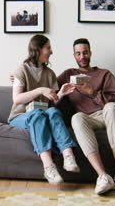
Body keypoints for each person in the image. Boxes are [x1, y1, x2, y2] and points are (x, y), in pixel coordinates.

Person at [57, 38, 115, 194]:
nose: (82, 57)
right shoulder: (68, 74)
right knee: (76, 118)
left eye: (85, 52)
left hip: (114, 115)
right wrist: (21, 78)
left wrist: (92, 92)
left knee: (110, 107)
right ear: (74, 56)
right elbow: (48, 87)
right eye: (78, 54)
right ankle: (103, 176)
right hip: (91, 119)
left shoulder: (104, 74)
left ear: (90, 53)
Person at [9, 34, 80, 185]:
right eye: (48, 48)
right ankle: (48, 167)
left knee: (54, 112)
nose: (51, 52)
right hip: (20, 116)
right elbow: (17, 99)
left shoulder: (49, 74)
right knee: (37, 114)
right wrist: (40, 90)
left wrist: (61, 93)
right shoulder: (21, 70)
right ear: (38, 49)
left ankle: (68, 156)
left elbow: (51, 105)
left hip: (43, 113)